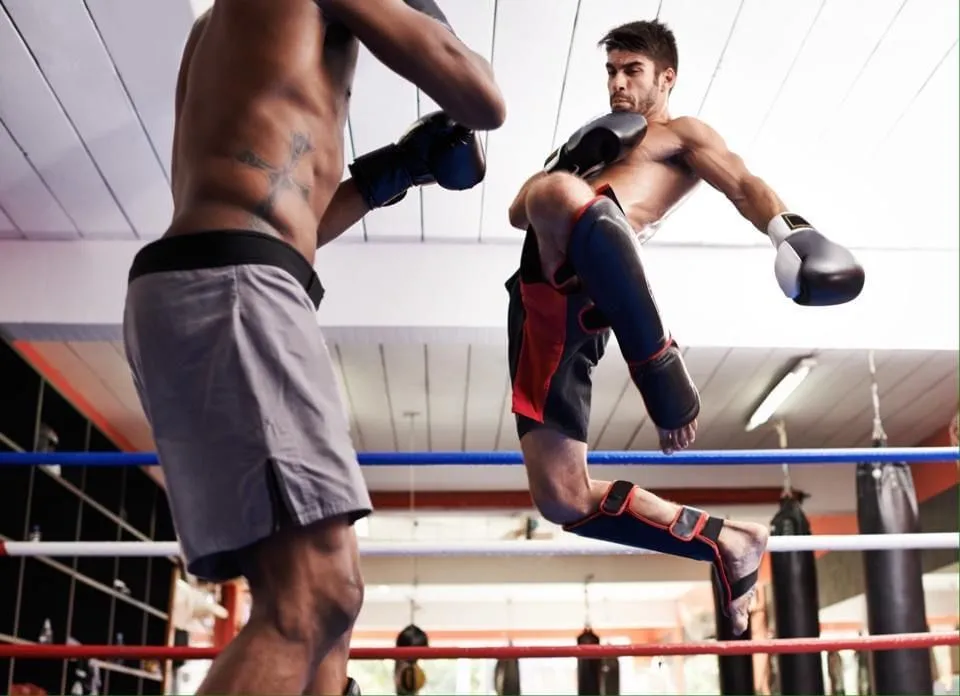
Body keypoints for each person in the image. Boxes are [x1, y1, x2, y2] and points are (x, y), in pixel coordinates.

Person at [122, 1, 505, 693]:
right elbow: (482, 99)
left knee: (331, 615)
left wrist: (395, 171)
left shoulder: (219, 33)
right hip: (236, 286)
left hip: (221, 278)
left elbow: (288, 212)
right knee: (315, 597)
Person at [504, 19, 864, 635]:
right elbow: (519, 213)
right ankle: (730, 541)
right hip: (538, 301)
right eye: (611, 71)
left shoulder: (681, 134)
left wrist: (792, 233)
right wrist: (573, 157)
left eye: (632, 71)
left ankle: (659, 365)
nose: (617, 83)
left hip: (594, 276)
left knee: (559, 195)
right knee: (561, 497)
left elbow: (744, 184)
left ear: (666, 77)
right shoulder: (594, 143)